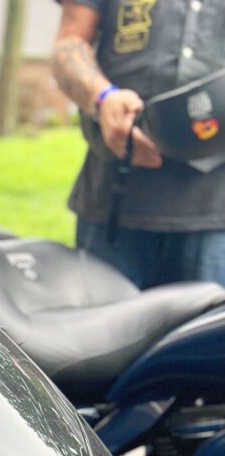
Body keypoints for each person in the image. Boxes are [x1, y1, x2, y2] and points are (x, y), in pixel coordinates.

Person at [52, 0, 225, 288]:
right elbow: (69, 41)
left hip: (217, 210)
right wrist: (102, 97)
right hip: (114, 200)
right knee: (103, 331)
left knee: (208, 334)